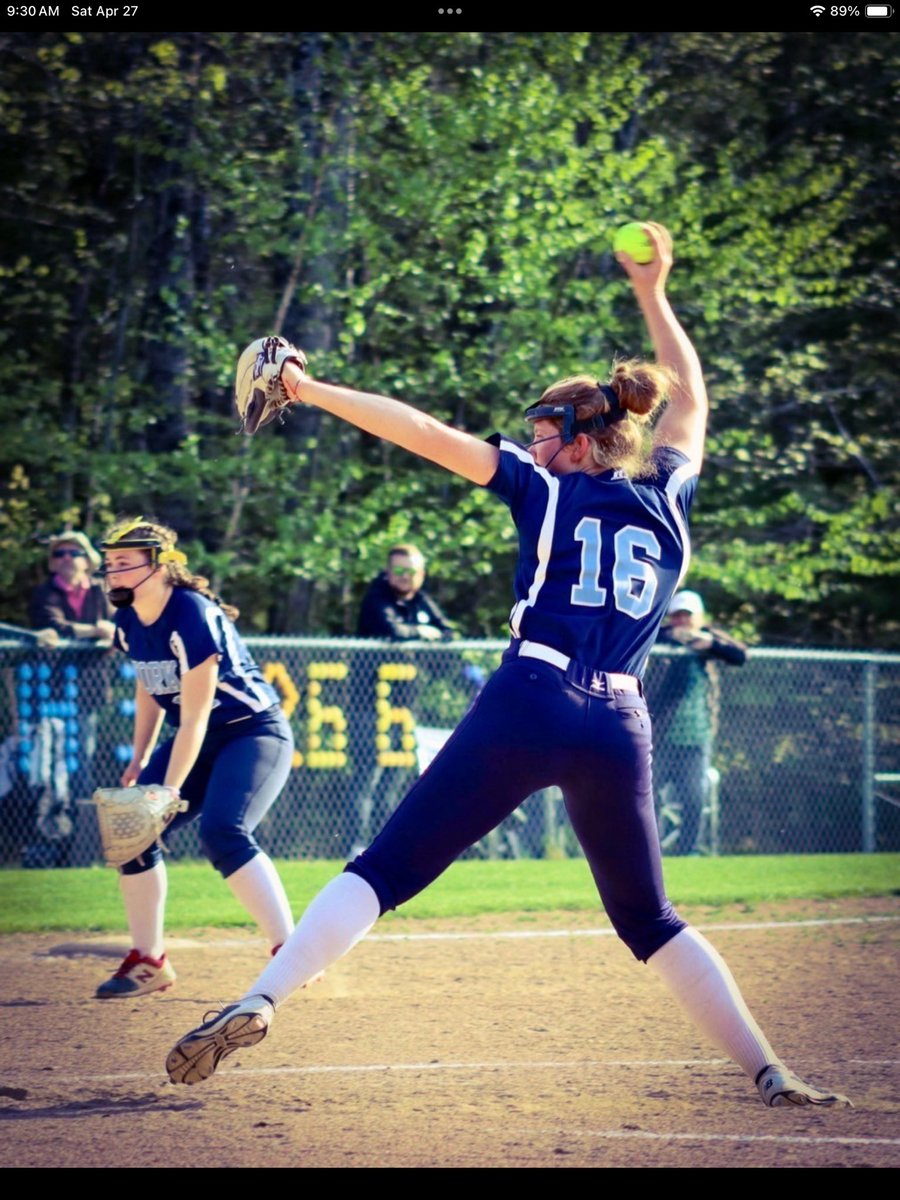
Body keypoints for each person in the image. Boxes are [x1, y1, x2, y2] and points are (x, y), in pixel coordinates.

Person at [166, 223, 849, 1109]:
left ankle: (261, 998)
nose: (530, 446)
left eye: (541, 430)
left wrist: (308, 386)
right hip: (619, 724)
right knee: (650, 919)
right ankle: (768, 1068)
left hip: (533, 695)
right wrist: (655, 291)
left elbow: (421, 431)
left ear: (580, 435)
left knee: (384, 869)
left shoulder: (548, 487)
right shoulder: (669, 497)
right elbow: (692, 405)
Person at [94, 517, 296, 998]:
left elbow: (197, 716)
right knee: (132, 830)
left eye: (125, 563)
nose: (114, 573)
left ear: (159, 565)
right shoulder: (129, 619)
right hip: (198, 736)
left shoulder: (191, 613)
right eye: (110, 565)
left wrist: (167, 789)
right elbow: (150, 685)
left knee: (223, 831)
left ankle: (292, 950)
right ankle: (149, 961)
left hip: (252, 732)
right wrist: (140, 757)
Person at [652, 589, 747, 855]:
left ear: (699, 617)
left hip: (695, 737)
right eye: (677, 616)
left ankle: (687, 852)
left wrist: (707, 643)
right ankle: (651, 852)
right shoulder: (660, 638)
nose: (682, 622)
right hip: (659, 737)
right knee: (648, 796)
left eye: (687, 616)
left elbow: (740, 655)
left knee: (694, 797)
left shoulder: (708, 638)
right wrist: (671, 638)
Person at [29, 530, 115, 643]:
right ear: (52, 563)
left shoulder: (103, 588)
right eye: (59, 554)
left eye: (74, 553)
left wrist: (113, 629)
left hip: (103, 659)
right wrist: (96, 630)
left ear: (88, 561)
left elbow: (120, 620)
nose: (66, 558)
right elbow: (53, 627)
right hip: (58, 660)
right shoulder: (43, 593)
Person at [357, 545, 455, 641]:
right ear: (387, 572)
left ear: (422, 574)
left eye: (411, 571)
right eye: (399, 570)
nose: (405, 576)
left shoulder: (421, 599)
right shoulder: (376, 598)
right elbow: (392, 631)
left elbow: (447, 631)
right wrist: (420, 631)